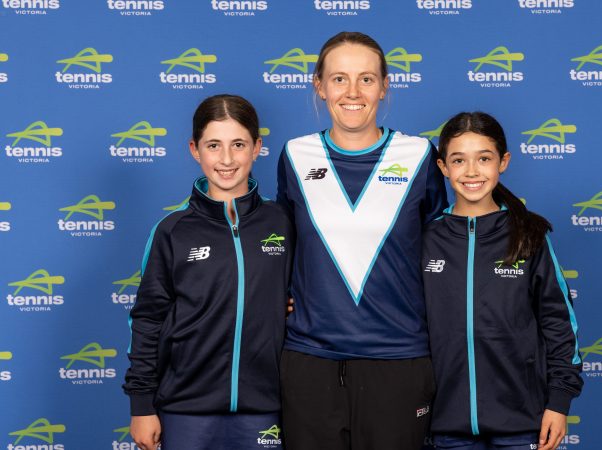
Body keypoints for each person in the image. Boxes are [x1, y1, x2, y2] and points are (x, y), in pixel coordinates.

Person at [276, 31, 447, 450]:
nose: (352, 92)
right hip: (310, 359)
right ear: (319, 86)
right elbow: (282, 248)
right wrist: (273, 296)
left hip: (398, 358)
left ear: (384, 86)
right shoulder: (295, 155)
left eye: (366, 79)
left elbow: (442, 250)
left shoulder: (418, 155)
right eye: (339, 78)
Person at [123, 94, 294, 450]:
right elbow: (147, 319)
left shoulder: (282, 222)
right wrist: (142, 405)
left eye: (238, 144)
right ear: (195, 150)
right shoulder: (173, 231)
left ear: (257, 147)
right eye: (214, 145)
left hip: (266, 407)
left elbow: (310, 289)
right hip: (185, 409)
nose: (227, 159)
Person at [422, 111, 583, 450]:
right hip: (446, 423)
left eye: (484, 158)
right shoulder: (427, 239)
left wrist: (559, 401)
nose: (471, 172)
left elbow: (558, 322)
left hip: (521, 422)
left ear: (503, 162)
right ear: (443, 167)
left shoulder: (529, 235)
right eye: (458, 160)